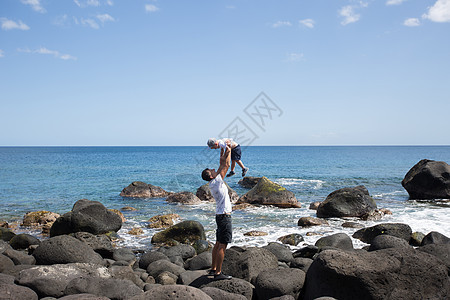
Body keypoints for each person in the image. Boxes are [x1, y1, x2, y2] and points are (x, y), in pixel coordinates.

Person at [201, 145, 233, 280]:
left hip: (219, 215)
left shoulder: (213, 183)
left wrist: (222, 149)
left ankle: (213, 268)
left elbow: (221, 164)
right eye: (212, 170)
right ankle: (218, 273)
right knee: (222, 245)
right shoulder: (217, 181)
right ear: (210, 175)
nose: (214, 170)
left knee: (218, 242)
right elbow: (226, 164)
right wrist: (229, 149)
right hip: (225, 216)